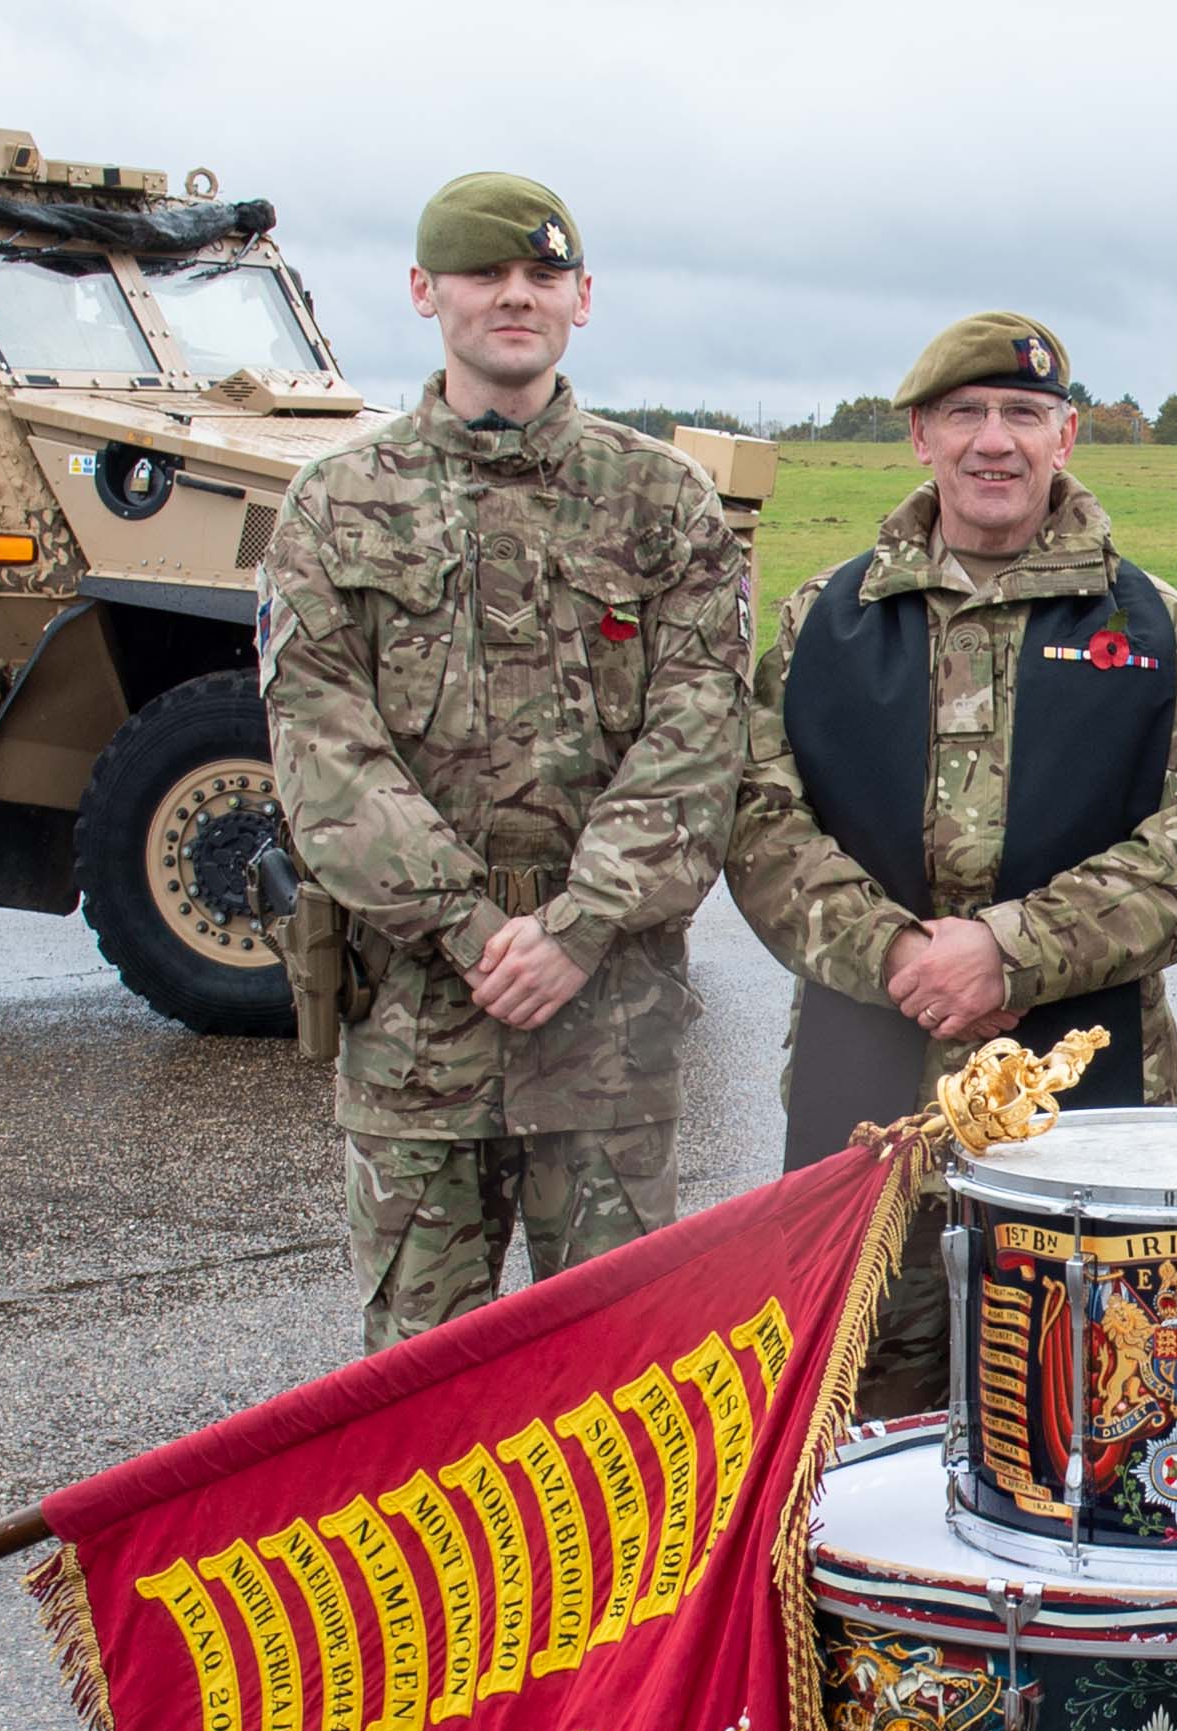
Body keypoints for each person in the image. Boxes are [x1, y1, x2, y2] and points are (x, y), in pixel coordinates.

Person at [260, 172, 750, 1352]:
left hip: (610, 1021)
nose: (514, 297)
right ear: (427, 292)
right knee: (419, 1392)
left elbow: (700, 742)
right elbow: (323, 752)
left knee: (624, 1384)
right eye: (485, 275)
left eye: (542, 276)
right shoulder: (335, 507)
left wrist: (578, 929)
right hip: (418, 1018)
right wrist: (476, 934)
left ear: (584, 298)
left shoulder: (662, 503)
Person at [729, 310, 1177, 1416]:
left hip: (1087, 1096)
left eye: (1024, 414)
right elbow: (762, 823)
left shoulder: (1150, 624)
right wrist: (898, 953)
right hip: (865, 1084)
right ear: (921, 436)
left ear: (1069, 437)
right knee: (855, 1409)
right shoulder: (825, 619)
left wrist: (1009, 954)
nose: (994, 441)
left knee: (1084, 1403)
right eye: (966, 414)